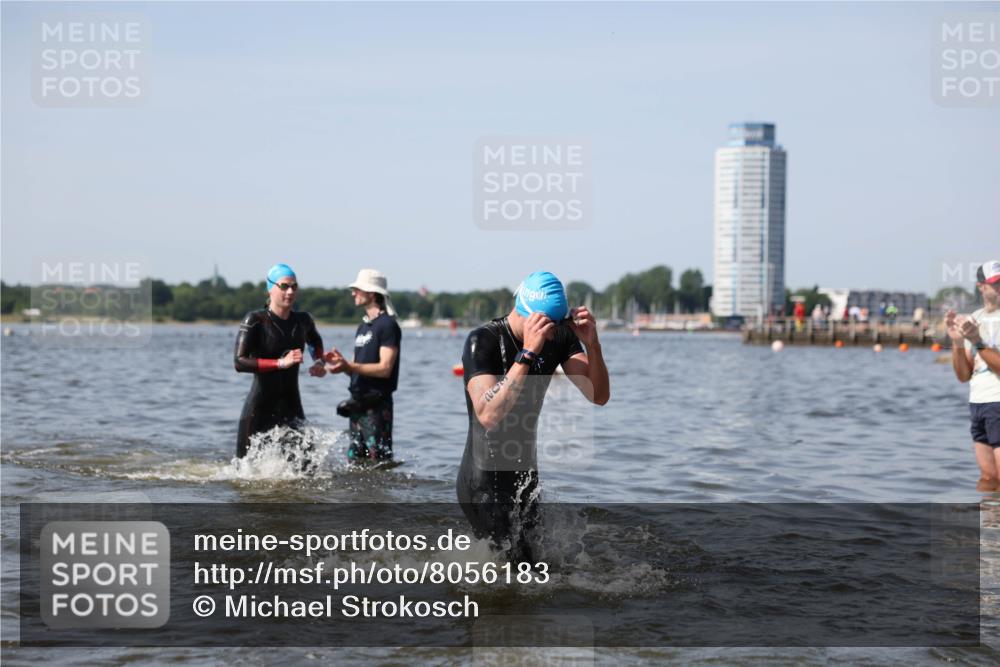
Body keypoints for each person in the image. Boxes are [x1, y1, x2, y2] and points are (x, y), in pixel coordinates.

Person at [457, 271, 610, 562]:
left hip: (525, 477)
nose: (552, 333)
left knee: (534, 572)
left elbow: (599, 395)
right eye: (547, 326)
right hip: (483, 482)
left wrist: (593, 345)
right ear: (528, 315)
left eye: (557, 325)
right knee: (506, 576)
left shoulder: (559, 337)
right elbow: (489, 414)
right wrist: (527, 353)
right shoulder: (483, 340)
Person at [233, 263, 326, 460]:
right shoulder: (255, 320)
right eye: (284, 286)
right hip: (259, 408)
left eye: (294, 286)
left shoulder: (303, 320)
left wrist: (319, 362)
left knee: (305, 467)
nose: (290, 291)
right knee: (245, 472)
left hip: (291, 405)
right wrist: (279, 364)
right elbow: (239, 362)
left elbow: (315, 341)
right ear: (270, 288)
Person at [325, 269, 402, 464]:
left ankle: (381, 495)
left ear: (372, 293)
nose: (353, 293)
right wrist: (339, 365)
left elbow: (385, 369)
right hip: (357, 403)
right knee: (355, 461)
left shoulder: (388, 325)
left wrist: (349, 365)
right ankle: (360, 497)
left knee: (379, 461)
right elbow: (355, 368)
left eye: (357, 290)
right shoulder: (363, 327)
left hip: (377, 405)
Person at [947, 260, 1000, 491]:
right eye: (995, 283)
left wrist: (977, 341)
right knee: (988, 479)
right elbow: (963, 375)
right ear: (981, 287)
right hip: (978, 403)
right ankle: (989, 527)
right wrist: (957, 342)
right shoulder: (974, 318)